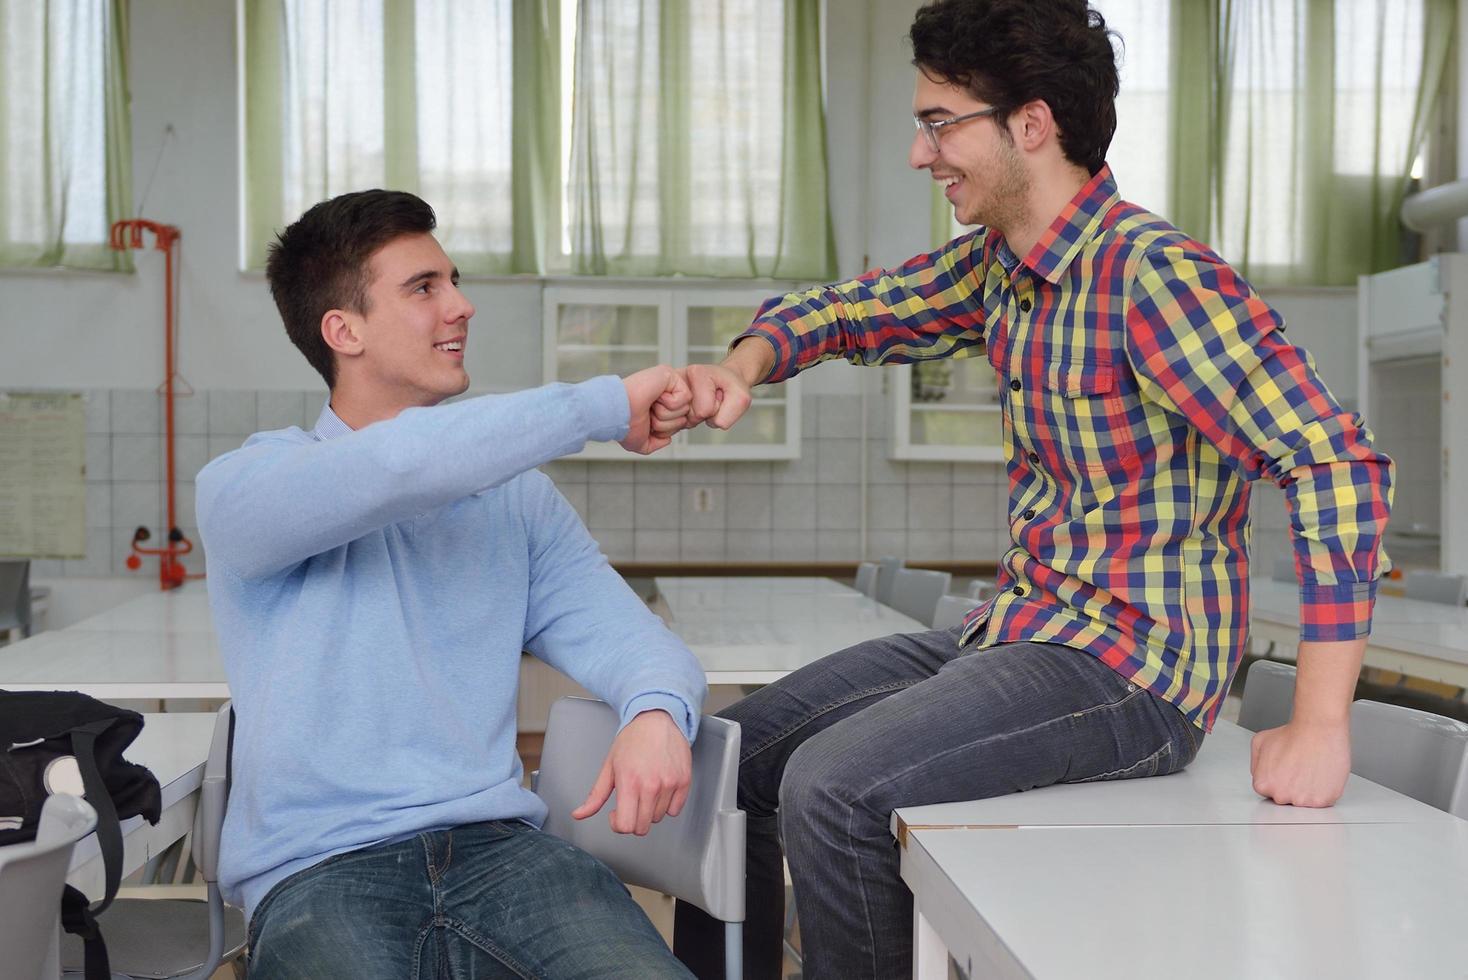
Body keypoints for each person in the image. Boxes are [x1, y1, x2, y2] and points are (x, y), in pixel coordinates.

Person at [665, 1, 1395, 976]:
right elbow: (855, 310)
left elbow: (1332, 460)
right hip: (1025, 627)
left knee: (830, 788)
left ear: (1031, 124)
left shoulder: (1152, 277)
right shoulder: (1001, 270)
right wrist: (745, 364)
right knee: (728, 753)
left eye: (937, 122)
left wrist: (1319, 719)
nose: (921, 154)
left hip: (1132, 664)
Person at [197, 189, 705, 979]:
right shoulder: (246, 489)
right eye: (423, 288)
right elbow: (396, 465)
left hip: (507, 858)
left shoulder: (517, 502)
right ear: (344, 331)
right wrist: (601, 405)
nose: (461, 307)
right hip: (318, 872)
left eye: (453, 281)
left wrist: (657, 712)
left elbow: (639, 644)